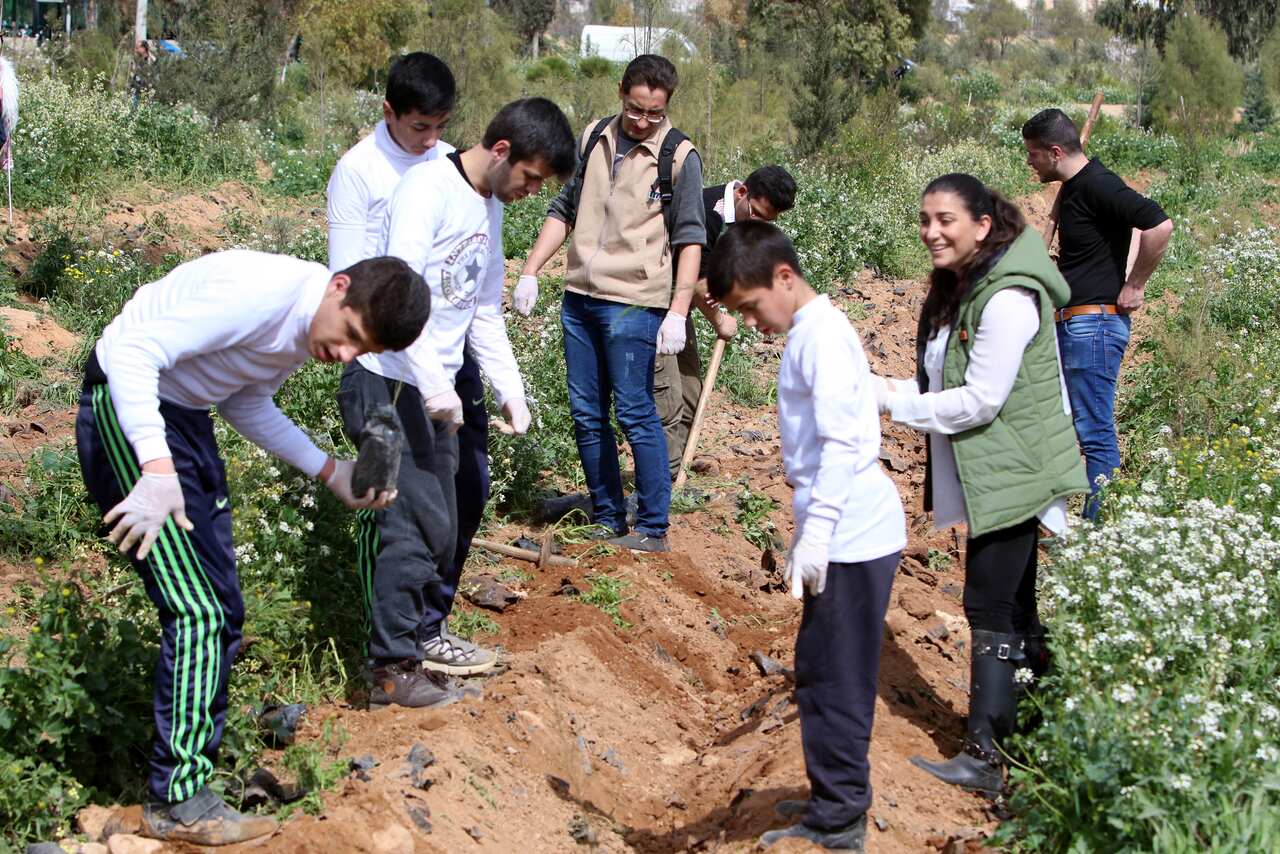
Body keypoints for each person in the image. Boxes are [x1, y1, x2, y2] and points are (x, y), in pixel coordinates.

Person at [75, 251, 428, 845]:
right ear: (338, 287)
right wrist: (156, 469)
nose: (344, 356)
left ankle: (202, 761)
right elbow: (135, 351)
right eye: (349, 337)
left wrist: (330, 471)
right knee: (197, 613)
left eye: (362, 354)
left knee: (224, 610)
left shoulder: (305, 327)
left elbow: (244, 400)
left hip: (184, 417)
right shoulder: (261, 295)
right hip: (127, 404)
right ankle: (177, 799)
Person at [345, 98, 575, 701]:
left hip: (436, 388)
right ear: (501, 151)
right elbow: (397, 298)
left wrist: (510, 389)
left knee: (447, 519)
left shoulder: (488, 204)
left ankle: (420, 640)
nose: (531, 191)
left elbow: (482, 307)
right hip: (389, 379)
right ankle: (391, 672)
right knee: (411, 522)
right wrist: (435, 385)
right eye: (530, 176)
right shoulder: (426, 190)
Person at [872, 174, 1088, 796]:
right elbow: (942, 383)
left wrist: (890, 405)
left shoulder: (1007, 299)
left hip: (1015, 469)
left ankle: (987, 756)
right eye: (925, 219)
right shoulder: (965, 288)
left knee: (991, 604)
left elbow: (980, 402)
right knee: (1015, 603)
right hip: (1002, 466)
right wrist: (886, 387)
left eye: (945, 220)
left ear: (983, 226)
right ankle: (1040, 733)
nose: (931, 232)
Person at [708, 221, 905, 851]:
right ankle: (833, 796)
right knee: (821, 666)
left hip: (851, 529)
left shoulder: (819, 338)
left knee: (835, 675)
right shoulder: (811, 332)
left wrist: (817, 534)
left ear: (784, 278)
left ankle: (841, 815)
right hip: (842, 521)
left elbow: (842, 443)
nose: (754, 324)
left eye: (751, 306)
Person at [326, 52, 506, 680]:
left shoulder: (450, 168)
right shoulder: (358, 172)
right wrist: (414, 365)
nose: (430, 141)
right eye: (417, 128)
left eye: (439, 127)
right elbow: (352, 283)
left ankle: (431, 624)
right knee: (404, 510)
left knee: (466, 490)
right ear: (388, 113)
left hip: (447, 357)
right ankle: (397, 647)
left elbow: (474, 278)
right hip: (390, 363)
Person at [515, 54, 706, 553]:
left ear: (667, 107)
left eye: (654, 114)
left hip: (633, 303)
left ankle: (653, 529)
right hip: (579, 297)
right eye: (635, 108)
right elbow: (565, 209)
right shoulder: (594, 137)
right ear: (621, 92)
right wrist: (531, 270)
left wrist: (678, 311)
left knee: (636, 410)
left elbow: (690, 238)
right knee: (586, 411)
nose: (642, 121)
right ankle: (607, 516)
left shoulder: (679, 157)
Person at [1022, 108, 1173, 518]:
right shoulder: (1077, 186)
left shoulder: (1098, 184)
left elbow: (1158, 224)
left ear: (1055, 152)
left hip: (1094, 327)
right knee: (1076, 427)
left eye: (1033, 154)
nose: (1029, 162)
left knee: (1095, 434)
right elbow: (1134, 228)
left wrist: (1134, 284)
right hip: (1079, 325)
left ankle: (1100, 532)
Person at [656, 165, 797, 478]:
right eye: (758, 214)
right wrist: (719, 318)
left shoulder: (743, 221)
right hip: (653, 306)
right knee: (666, 396)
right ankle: (658, 484)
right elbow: (692, 277)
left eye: (768, 221)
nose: (760, 224)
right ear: (742, 192)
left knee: (690, 392)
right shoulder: (708, 211)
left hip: (681, 310)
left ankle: (673, 473)